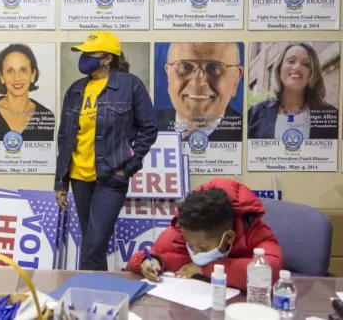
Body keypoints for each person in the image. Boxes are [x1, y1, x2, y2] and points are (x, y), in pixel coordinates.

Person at [55, 31, 158, 271]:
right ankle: (100, 295)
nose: (84, 57)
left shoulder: (130, 85)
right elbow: (65, 137)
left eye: (90, 53)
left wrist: (128, 167)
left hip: (111, 177)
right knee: (94, 246)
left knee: (93, 244)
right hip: (79, 178)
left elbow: (150, 128)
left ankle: (83, 297)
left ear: (107, 58)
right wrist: (61, 183)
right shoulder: (75, 89)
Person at [129, 178, 283, 291]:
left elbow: (271, 270)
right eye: (190, 245)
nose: (195, 253)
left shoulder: (255, 231)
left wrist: (205, 268)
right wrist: (148, 263)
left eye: (202, 248)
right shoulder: (180, 232)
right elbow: (143, 259)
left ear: (229, 237)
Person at [248, 43, 339, 140]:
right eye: (291, 61)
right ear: (279, 69)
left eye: (305, 64)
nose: (297, 67)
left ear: (312, 73)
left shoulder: (332, 115)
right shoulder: (254, 113)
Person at [158, 42, 243, 142]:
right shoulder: (145, 126)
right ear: (169, 75)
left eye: (214, 68)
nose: (197, 82)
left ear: (236, 79)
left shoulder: (252, 133)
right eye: (184, 67)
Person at [0, 44, 54, 142]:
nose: (17, 78)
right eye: (10, 71)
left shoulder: (46, 116)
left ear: (33, 74)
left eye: (23, 70)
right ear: (1, 76)